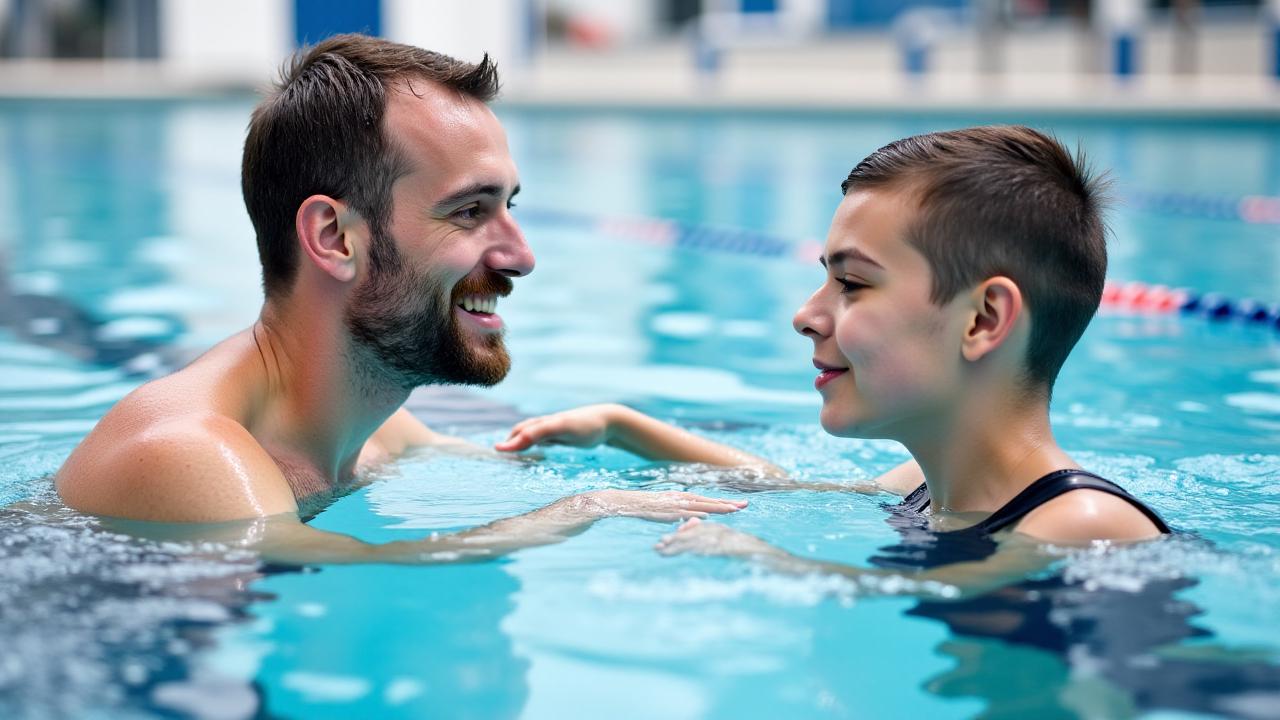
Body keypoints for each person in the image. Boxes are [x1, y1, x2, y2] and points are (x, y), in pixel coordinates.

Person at [54, 34, 744, 564]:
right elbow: (361, 566)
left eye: (509, 207)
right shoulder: (187, 453)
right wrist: (581, 508)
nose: (522, 256)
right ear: (335, 237)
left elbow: (762, 491)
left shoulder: (379, 430)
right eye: (471, 212)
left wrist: (625, 426)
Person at [497, 125, 1170, 594]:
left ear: (983, 319)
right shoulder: (931, 480)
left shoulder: (1086, 526)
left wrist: (772, 563)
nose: (805, 315)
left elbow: (954, 591)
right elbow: (780, 486)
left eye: (851, 283)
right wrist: (624, 427)